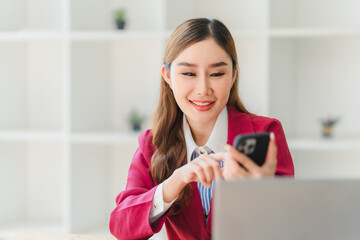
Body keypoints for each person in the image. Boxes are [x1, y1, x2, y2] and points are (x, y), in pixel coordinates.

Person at [109, 18, 294, 240]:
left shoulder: (265, 133)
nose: (203, 89)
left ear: (234, 75)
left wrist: (263, 191)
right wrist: (176, 181)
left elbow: (287, 226)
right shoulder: (153, 144)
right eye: (189, 74)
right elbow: (121, 225)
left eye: (217, 74)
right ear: (167, 76)